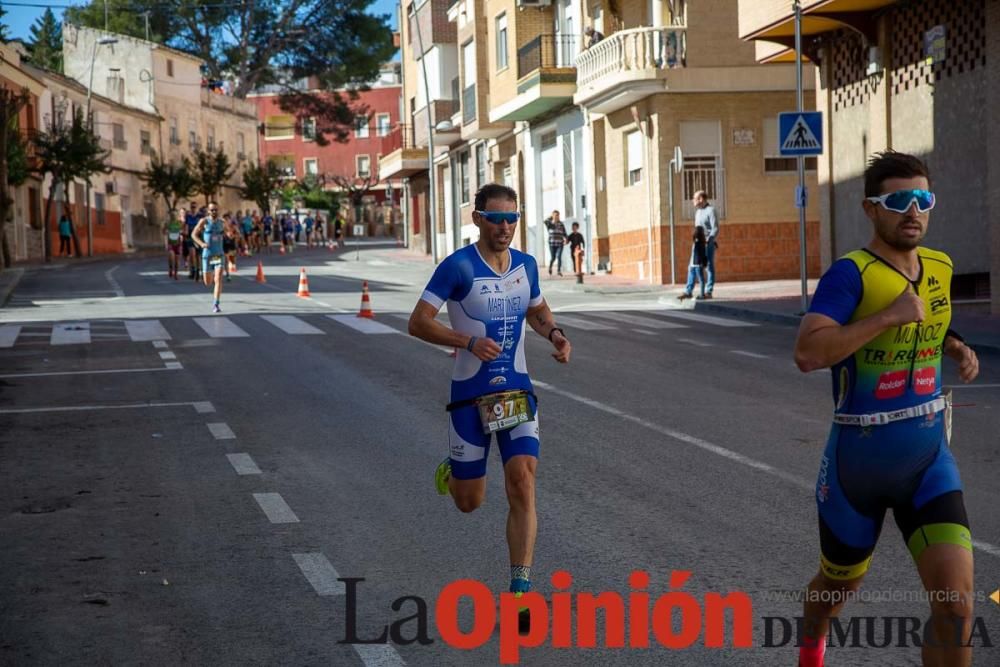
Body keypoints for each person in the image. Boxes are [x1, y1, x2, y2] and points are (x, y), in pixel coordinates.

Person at [792, 152, 980, 667]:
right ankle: (811, 648)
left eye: (923, 199)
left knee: (957, 605)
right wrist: (886, 317)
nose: (913, 210)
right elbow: (808, 352)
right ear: (871, 209)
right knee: (838, 584)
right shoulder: (849, 275)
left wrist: (956, 346)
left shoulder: (939, 266)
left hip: (927, 459)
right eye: (899, 201)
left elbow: (931, 321)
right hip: (858, 467)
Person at [408, 182, 571, 633]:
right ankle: (455, 469)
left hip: (516, 390)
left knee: (522, 479)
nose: (504, 227)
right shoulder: (458, 266)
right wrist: (466, 340)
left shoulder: (526, 265)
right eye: (496, 218)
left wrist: (555, 335)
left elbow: (537, 310)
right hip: (470, 393)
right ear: (478, 218)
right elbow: (418, 322)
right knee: (469, 501)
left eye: (512, 219)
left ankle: (520, 591)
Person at [192, 203, 226, 313]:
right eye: (212, 210)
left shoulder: (222, 222)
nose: (214, 212)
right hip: (208, 255)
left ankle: (216, 303)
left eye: (216, 210)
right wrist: (201, 244)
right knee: (208, 282)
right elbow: (193, 234)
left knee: (218, 278)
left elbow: (231, 232)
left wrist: (232, 234)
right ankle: (207, 275)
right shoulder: (204, 221)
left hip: (218, 254)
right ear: (208, 211)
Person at [692, 190, 718, 298]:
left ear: (701, 199)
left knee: (708, 266)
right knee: (697, 267)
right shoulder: (697, 212)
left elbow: (715, 228)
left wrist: (709, 240)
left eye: (695, 198)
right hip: (698, 244)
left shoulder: (711, 210)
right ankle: (701, 292)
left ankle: (709, 291)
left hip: (708, 243)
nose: (693, 201)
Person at [677, 225, 708, 301]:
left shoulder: (701, 243)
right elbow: (694, 255)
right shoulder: (697, 242)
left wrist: (703, 264)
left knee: (701, 279)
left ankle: (702, 294)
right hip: (693, 265)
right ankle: (689, 292)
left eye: (696, 231)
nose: (695, 233)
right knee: (691, 278)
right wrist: (690, 265)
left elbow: (703, 255)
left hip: (697, 265)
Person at [544, 210, 567, 276]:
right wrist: (551, 217)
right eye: (555, 215)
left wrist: (566, 239)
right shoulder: (550, 224)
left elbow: (564, 232)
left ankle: (558, 271)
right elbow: (545, 221)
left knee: (559, 256)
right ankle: (550, 267)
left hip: (560, 243)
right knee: (553, 258)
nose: (557, 216)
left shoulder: (561, 224)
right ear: (553, 216)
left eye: (558, 215)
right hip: (552, 244)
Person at [163, 210, 184, 279]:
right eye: (172, 215)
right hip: (170, 243)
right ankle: (170, 268)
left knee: (177, 260)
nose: (173, 216)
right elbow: (163, 231)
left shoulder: (179, 223)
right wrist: (166, 232)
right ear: (170, 216)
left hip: (178, 244)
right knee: (171, 257)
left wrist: (181, 233)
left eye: (175, 215)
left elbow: (183, 231)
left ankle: (176, 273)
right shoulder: (167, 223)